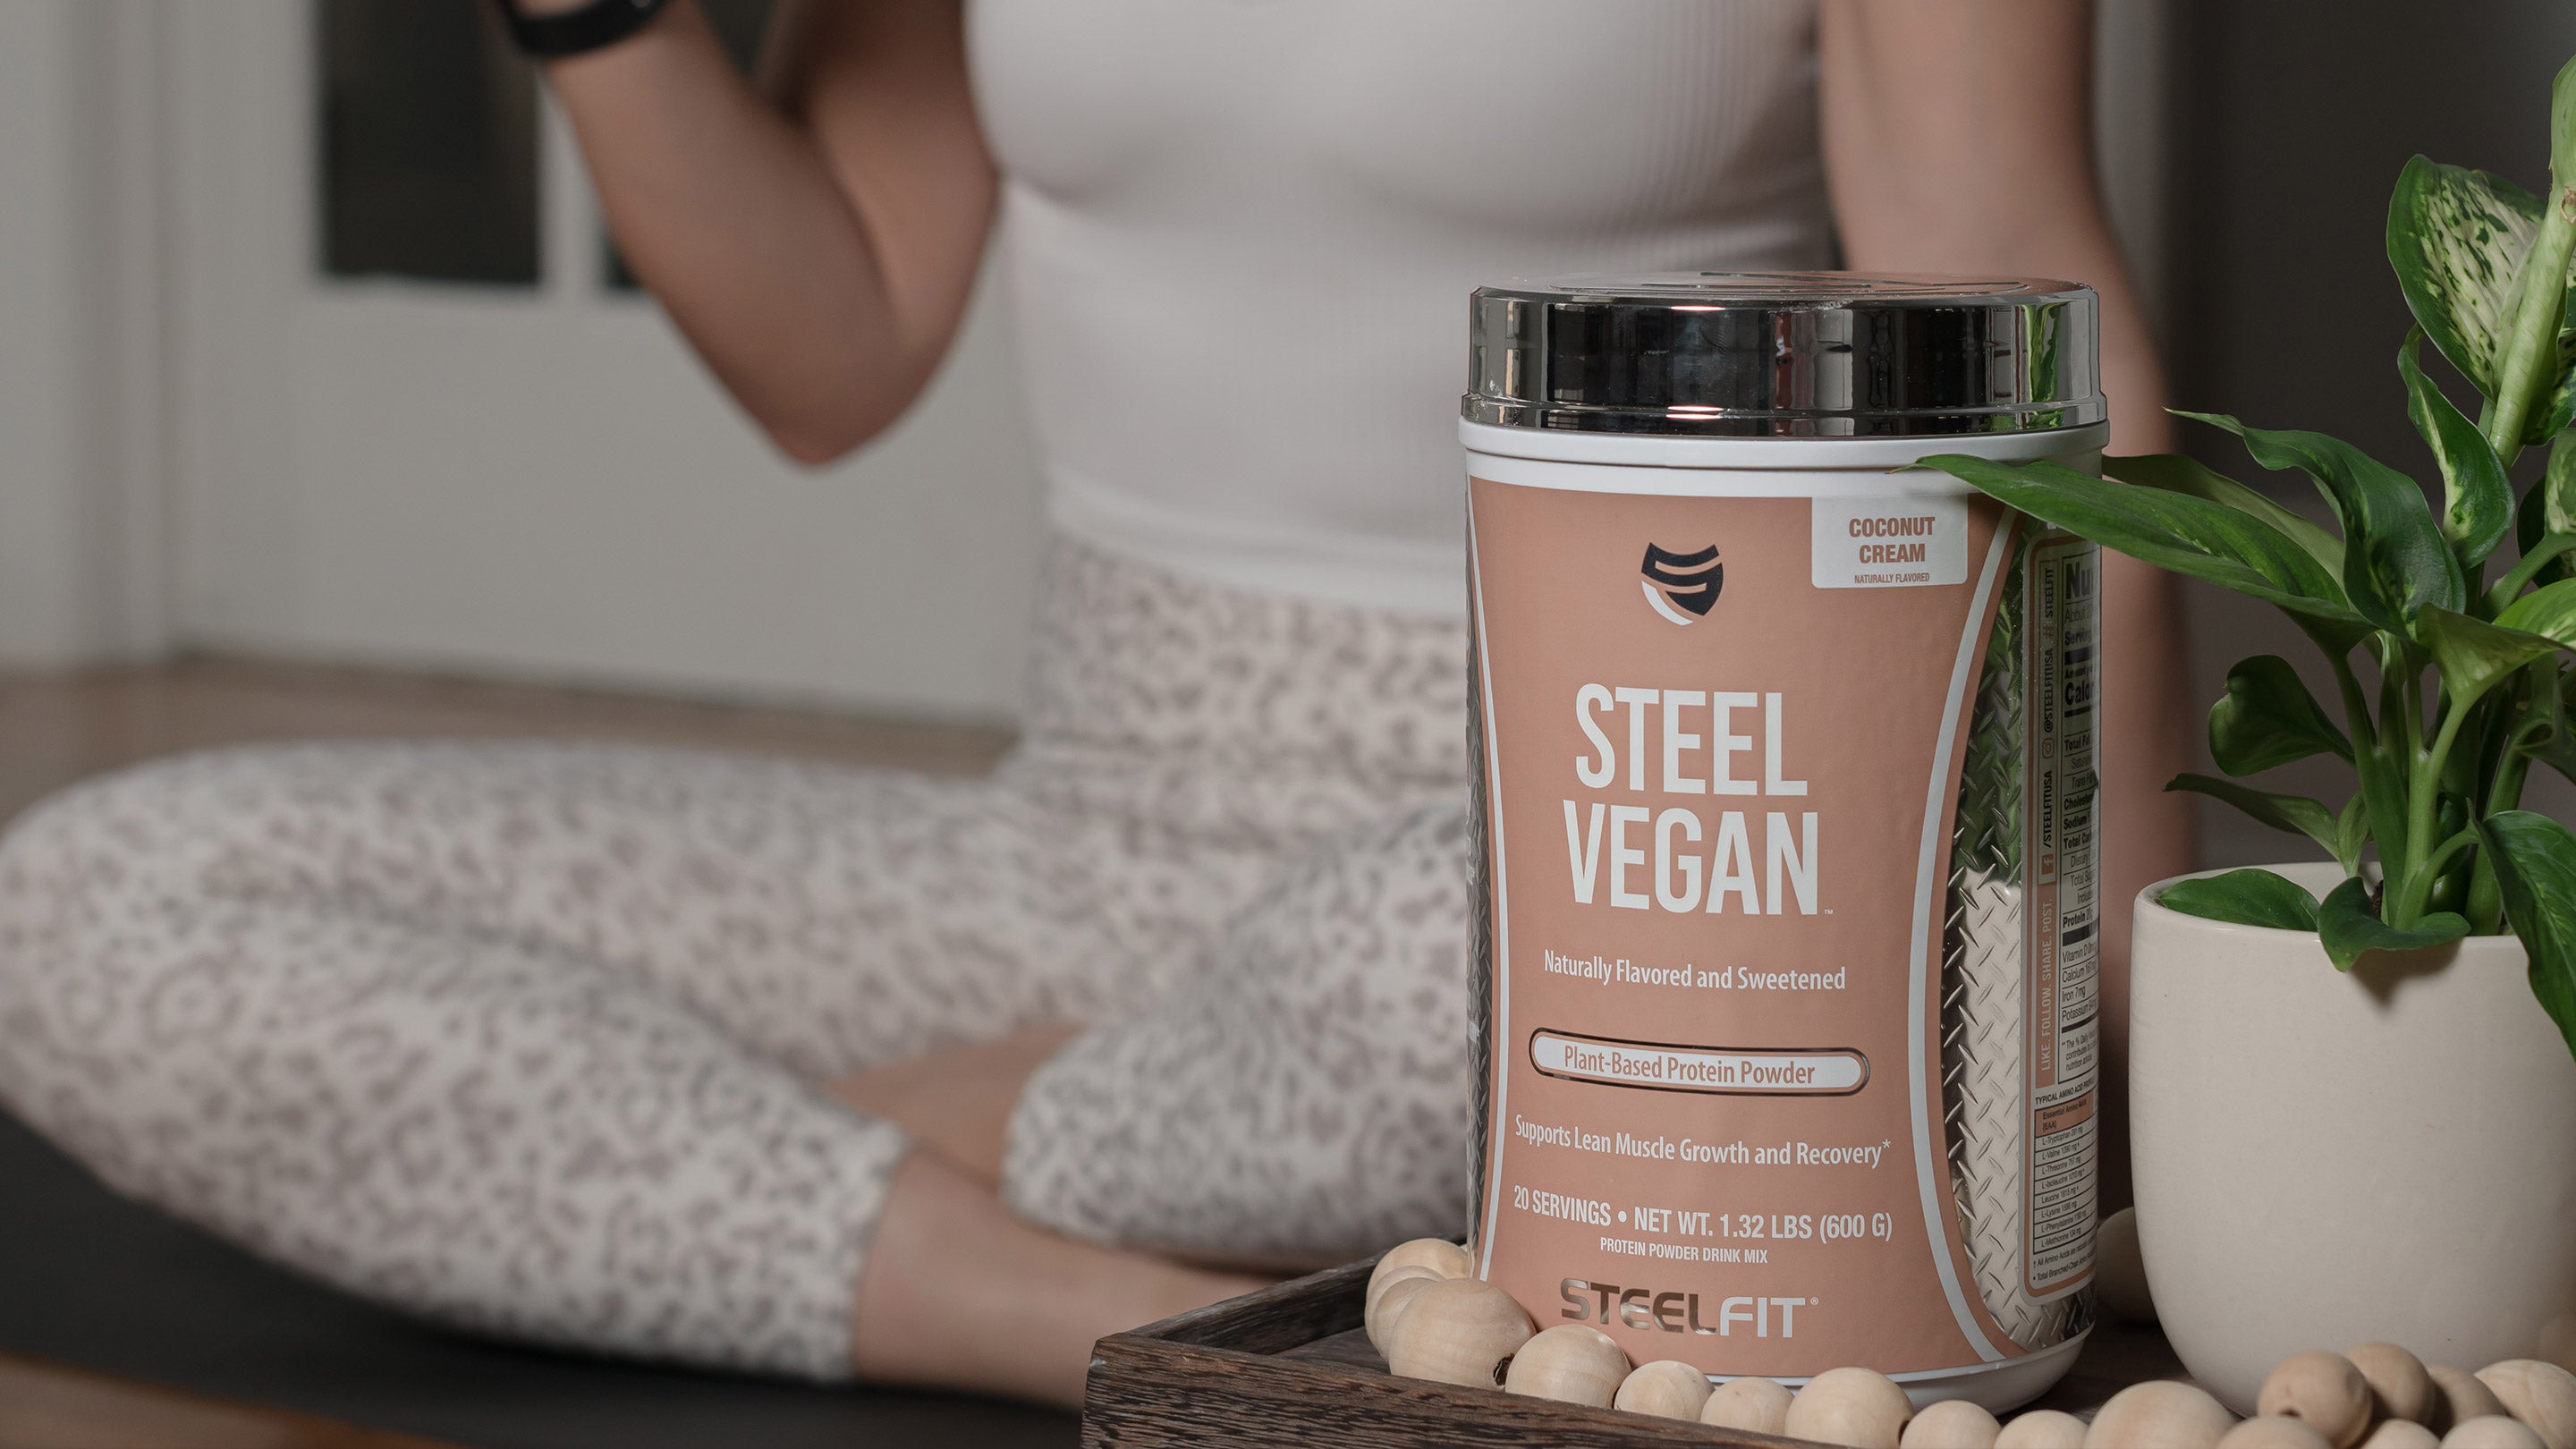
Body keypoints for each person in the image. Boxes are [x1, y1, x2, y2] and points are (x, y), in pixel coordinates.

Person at [0, 0, 2192, 1411]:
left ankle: (684, 1156)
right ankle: (1134, 1332)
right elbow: (834, 340)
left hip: (1606, 833)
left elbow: (2039, 310)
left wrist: (2094, 1048)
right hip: (1082, 837)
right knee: (93, 907)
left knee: (1508, 996)